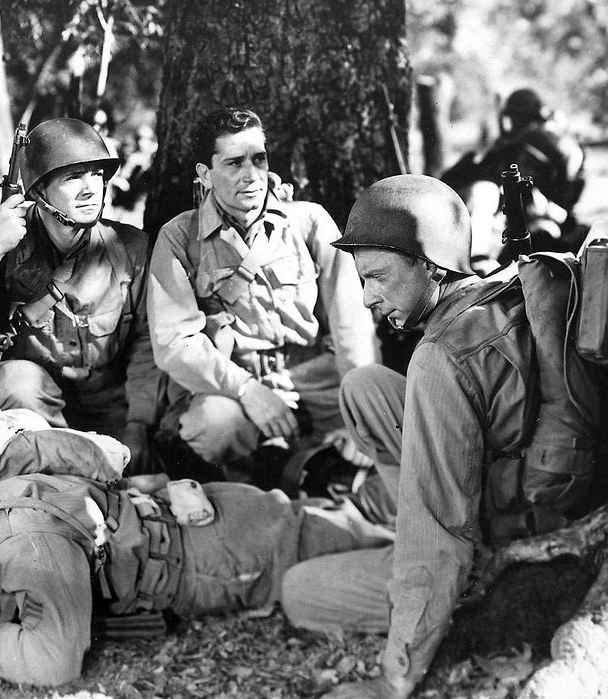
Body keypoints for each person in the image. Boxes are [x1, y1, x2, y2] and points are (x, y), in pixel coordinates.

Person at [280, 174, 603, 698]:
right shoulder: (500, 291)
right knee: (364, 387)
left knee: (301, 591)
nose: (367, 298)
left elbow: (441, 536)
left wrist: (394, 679)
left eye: (379, 277)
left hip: (513, 549)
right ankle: (410, 528)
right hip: (540, 493)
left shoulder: (440, 358)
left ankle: (453, 593)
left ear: (430, 265)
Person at [0, 403, 395, 687]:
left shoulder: (23, 544)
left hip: (235, 549)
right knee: (355, 526)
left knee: (379, 561)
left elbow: (54, 662)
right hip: (207, 522)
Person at [147, 106, 378, 486]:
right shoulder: (179, 238)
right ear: (205, 174)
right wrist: (248, 390)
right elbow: (174, 342)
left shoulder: (309, 222)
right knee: (214, 426)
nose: (252, 175)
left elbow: (352, 324)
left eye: (259, 159)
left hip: (312, 377)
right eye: (234, 163)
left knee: (389, 421)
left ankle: (310, 470)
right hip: (236, 383)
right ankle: (259, 480)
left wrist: (363, 414)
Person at [0, 117, 162, 472]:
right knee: (16, 381)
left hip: (109, 404)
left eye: (96, 175)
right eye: (73, 177)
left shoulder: (130, 249)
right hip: (34, 410)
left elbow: (147, 342)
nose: (91, 189)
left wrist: (139, 422)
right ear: (39, 191)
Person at [441, 88, 587, 275]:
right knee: (484, 192)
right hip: (515, 223)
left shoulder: (551, 145)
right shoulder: (512, 146)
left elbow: (567, 215)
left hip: (547, 225)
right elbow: (465, 177)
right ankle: (480, 259)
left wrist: (546, 209)